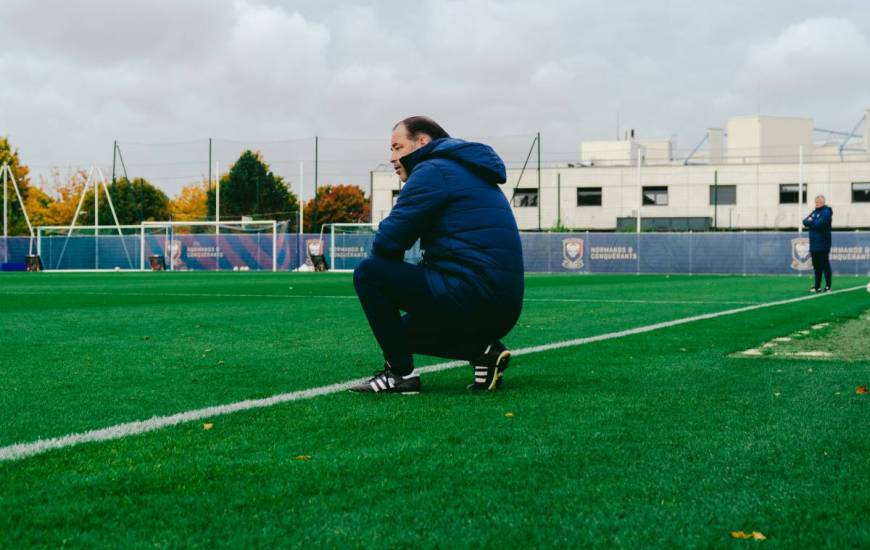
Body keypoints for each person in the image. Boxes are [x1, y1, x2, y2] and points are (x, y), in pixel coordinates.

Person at [350, 116, 524, 393]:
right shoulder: (467, 169)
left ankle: (399, 375)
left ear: (422, 142)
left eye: (397, 147)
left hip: (473, 293)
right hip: (502, 304)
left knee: (370, 273)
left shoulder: (433, 171)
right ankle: (484, 351)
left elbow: (386, 243)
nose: (393, 158)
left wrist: (395, 281)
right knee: (399, 333)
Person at [802, 194, 833, 292]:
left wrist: (812, 223)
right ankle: (817, 286)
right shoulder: (814, 212)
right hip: (814, 244)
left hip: (823, 243)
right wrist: (814, 222)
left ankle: (828, 286)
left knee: (825, 264)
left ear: (823, 202)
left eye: (819, 202)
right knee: (816, 266)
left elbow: (821, 224)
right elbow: (805, 221)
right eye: (816, 202)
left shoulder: (826, 211)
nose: (817, 204)